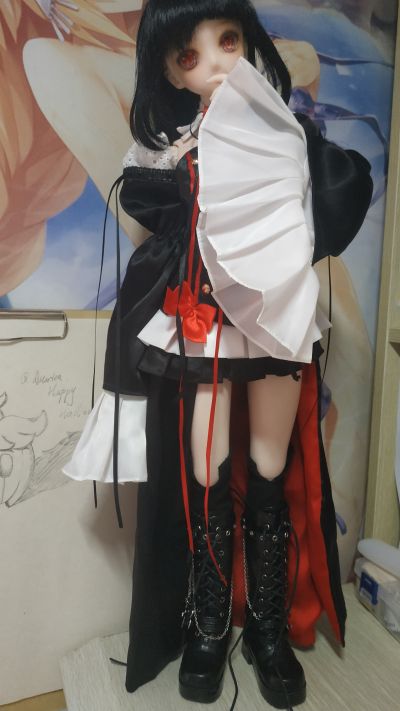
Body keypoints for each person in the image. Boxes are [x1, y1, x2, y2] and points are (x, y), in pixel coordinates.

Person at [64, 0, 372, 708]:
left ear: (249, 42)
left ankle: (265, 625)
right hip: (204, 319)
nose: (215, 63)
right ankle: (208, 621)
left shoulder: (285, 130)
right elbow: (155, 223)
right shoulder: (174, 145)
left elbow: (325, 212)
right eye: (190, 54)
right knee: (206, 469)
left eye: (228, 40)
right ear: (172, 72)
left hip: (275, 316)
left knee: (269, 466)